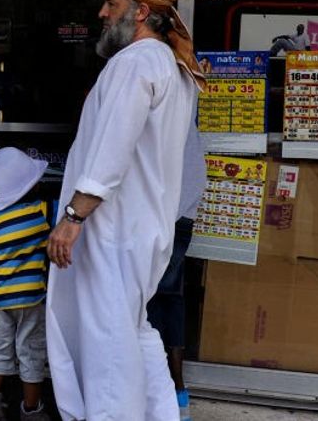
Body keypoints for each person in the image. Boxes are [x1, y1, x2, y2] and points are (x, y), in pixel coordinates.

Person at [45, 0, 205, 421]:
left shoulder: (134, 63)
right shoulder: (171, 65)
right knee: (134, 330)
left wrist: (73, 218)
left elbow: (112, 150)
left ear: (140, 12)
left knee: (107, 342)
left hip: (113, 229)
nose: (101, 13)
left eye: (111, 5)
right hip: (144, 228)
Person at [0, 147, 53, 421]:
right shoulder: (42, 212)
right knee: (30, 349)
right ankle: (31, 409)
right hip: (31, 297)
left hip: (0, 297)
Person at [145, 116, 206, 421]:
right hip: (182, 216)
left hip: (161, 217)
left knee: (150, 301)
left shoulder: (160, 116)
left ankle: (161, 395)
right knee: (171, 297)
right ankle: (178, 395)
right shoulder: (185, 111)